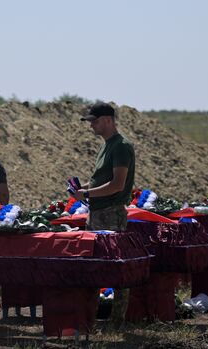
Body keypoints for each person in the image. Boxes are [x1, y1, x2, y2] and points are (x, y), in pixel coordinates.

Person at [72, 102, 135, 325]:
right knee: (98, 266)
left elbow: (117, 184)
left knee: (115, 267)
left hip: (111, 213)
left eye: (95, 121)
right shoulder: (107, 145)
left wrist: (87, 194)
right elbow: (102, 180)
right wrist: (83, 190)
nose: (92, 126)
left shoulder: (121, 146)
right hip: (98, 212)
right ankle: (97, 314)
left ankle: (117, 320)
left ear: (108, 120)